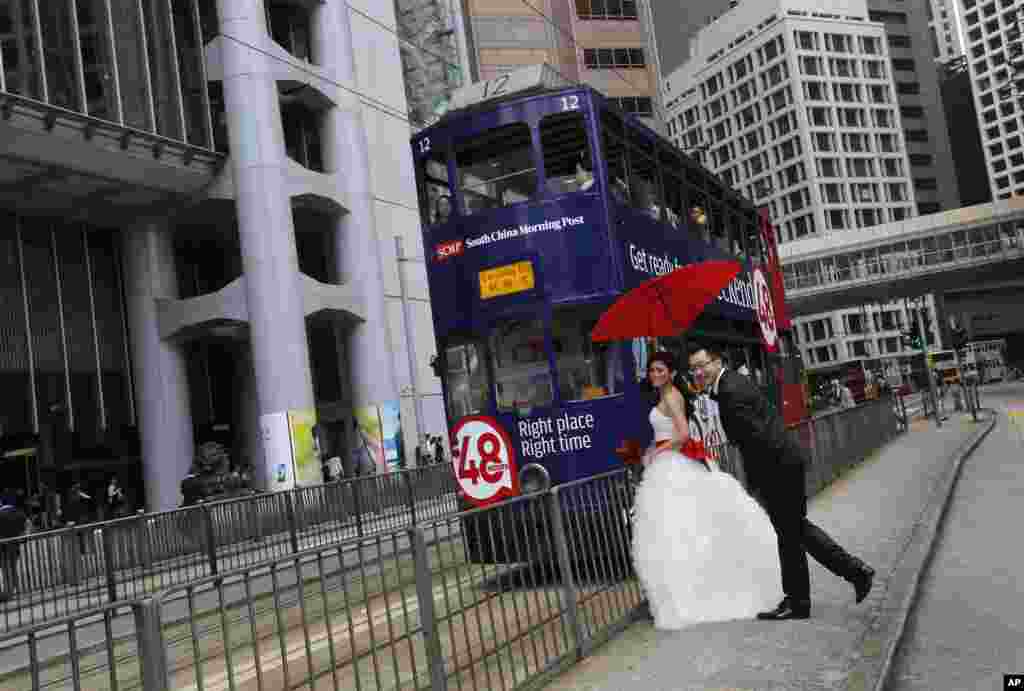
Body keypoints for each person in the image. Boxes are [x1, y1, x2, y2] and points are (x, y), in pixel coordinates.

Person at [688, 344, 874, 620]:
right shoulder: (731, 384)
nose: (698, 372)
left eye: (702, 365)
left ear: (717, 362)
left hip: (777, 468)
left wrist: (759, 481)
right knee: (793, 533)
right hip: (782, 464)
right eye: (693, 368)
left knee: (792, 532)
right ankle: (810, 596)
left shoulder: (729, 390)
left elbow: (755, 439)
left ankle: (847, 576)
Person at [627, 351, 782, 630]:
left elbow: (683, 434)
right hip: (667, 462)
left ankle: (686, 595)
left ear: (672, 373)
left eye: (661, 370)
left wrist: (655, 451)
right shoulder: (664, 396)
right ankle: (671, 594)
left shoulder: (672, 396)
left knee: (678, 530)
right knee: (672, 532)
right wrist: (653, 449)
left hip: (671, 463)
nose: (655, 375)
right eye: (652, 370)